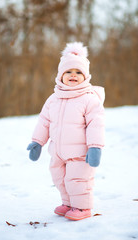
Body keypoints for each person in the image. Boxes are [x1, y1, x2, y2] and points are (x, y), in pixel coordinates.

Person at [27, 42, 105, 221]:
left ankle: (82, 207)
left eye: (78, 72)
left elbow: (96, 124)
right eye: (68, 72)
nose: (73, 75)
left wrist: (95, 147)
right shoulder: (54, 98)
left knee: (77, 180)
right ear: (60, 75)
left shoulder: (89, 99)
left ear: (86, 77)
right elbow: (44, 122)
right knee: (59, 178)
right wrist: (37, 142)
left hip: (80, 153)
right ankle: (68, 203)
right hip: (58, 152)